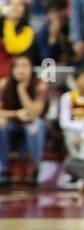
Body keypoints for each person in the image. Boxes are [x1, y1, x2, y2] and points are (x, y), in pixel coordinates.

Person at [0, 54, 48, 187]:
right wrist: (16, 114)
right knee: (0, 123)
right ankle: (2, 169)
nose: (21, 70)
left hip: (31, 126)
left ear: (31, 68)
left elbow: (35, 112)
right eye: (17, 66)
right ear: (12, 69)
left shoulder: (39, 85)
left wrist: (21, 90)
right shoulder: (3, 84)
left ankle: (35, 168)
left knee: (35, 125)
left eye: (25, 66)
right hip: (11, 124)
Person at [0, 0, 35, 80]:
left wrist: (8, 22)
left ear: (24, 9)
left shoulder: (27, 30)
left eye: (19, 5)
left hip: (12, 78)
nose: (14, 8)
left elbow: (13, 48)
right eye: (11, 4)